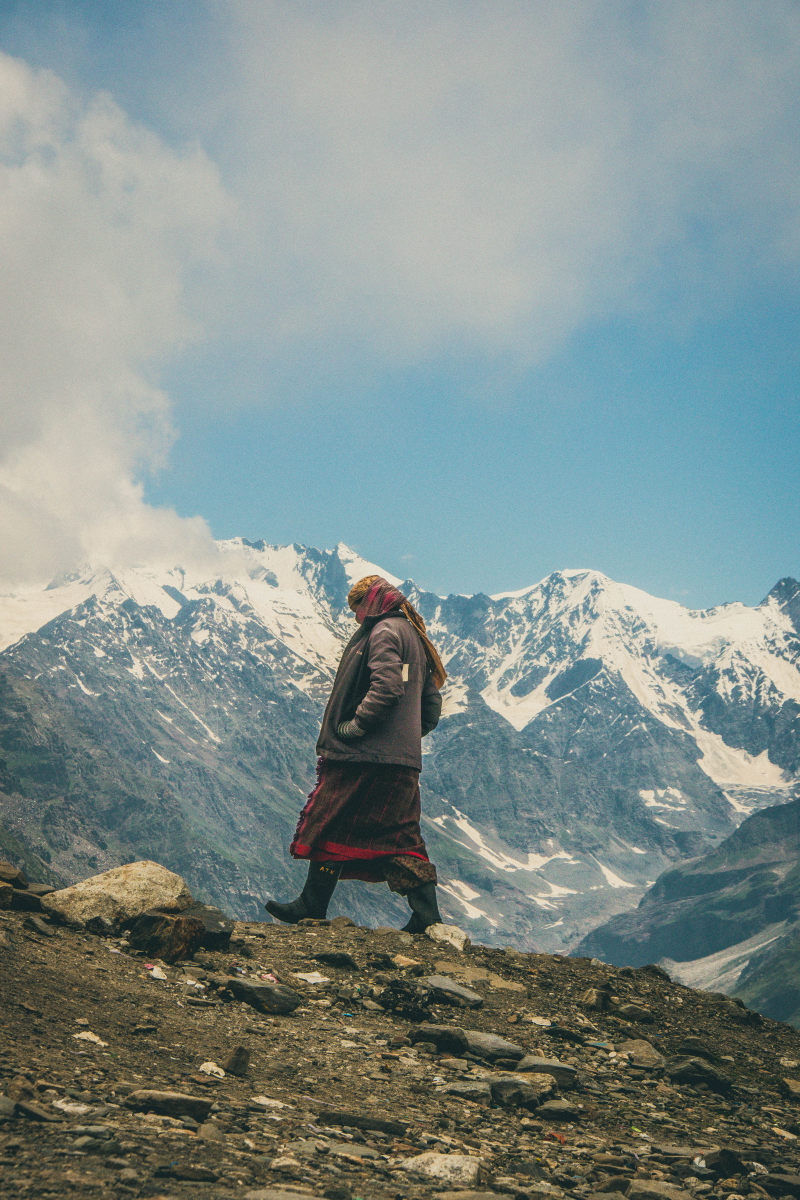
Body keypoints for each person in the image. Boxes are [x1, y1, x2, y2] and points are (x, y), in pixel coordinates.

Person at [265, 574, 447, 932]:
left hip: (364, 757)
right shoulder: (414, 637)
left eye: (358, 608)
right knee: (401, 834)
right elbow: (431, 704)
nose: (355, 617)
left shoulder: (383, 633)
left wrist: (357, 726)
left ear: (374, 602)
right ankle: (427, 916)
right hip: (400, 762)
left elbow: (387, 686)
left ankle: (312, 903)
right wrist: (406, 735)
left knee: (331, 820)